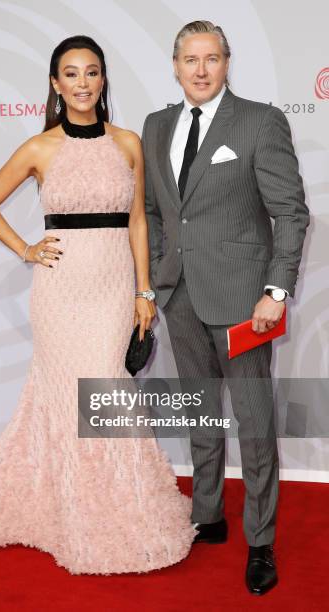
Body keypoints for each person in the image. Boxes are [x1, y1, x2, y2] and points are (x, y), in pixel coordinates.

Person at [0, 35, 196, 575]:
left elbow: (137, 220)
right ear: (55, 83)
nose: (83, 83)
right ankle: (67, 512)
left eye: (92, 72)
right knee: (69, 399)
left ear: (103, 79)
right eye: (72, 74)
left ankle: (120, 508)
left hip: (114, 288)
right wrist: (25, 249)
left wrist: (143, 292)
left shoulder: (128, 142)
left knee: (106, 391)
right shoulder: (40, 147)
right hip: (60, 291)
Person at [142, 20, 309, 594]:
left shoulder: (260, 121)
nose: (200, 69)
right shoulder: (156, 124)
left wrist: (276, 290)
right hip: (180, 295)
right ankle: (207, 514)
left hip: (244, 300)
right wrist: (162, 273)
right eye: (190, 59)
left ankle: (260, 541)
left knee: (256, 422)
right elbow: (156, 210)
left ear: (227, 62)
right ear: (175, 64)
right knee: (201, 412)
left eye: (211, 58)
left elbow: (289, 213)